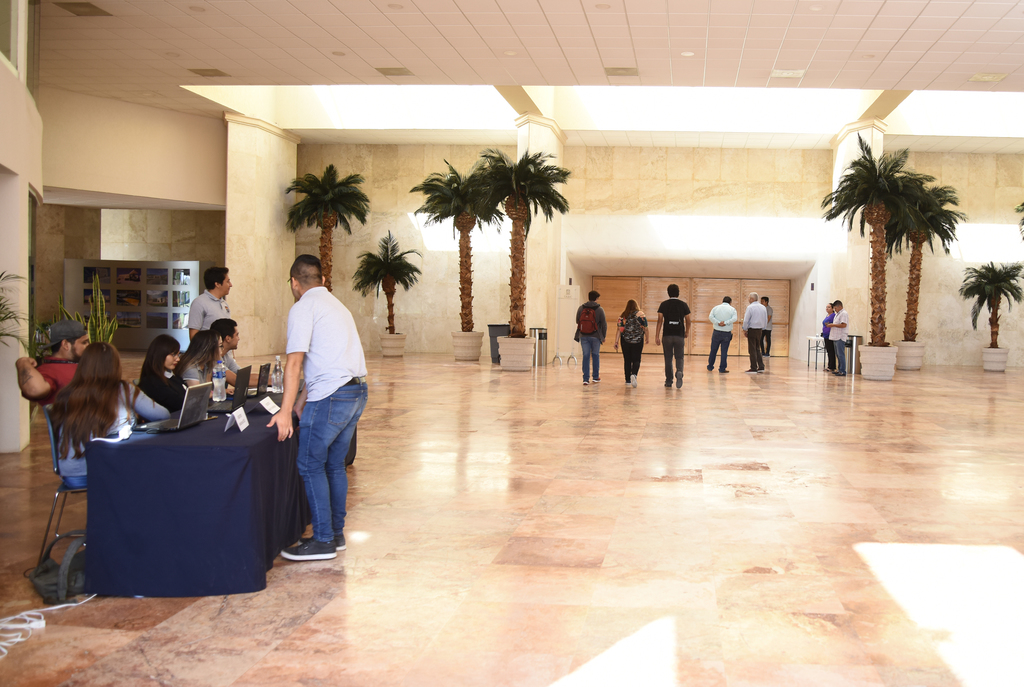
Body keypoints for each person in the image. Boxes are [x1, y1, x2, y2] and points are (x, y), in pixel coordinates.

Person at [269, 255, 368, 562]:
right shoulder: (336, 306)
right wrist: (299, 403)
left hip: (331, 396)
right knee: (334, 465)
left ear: (294, 283)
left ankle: (323, 539)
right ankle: (335, 535)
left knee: (311, 465)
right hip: (355, 391)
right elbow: (324, 360)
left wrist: (284, 411)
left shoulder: (303, 307)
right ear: (322, 280)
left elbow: (295, 363)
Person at [50, 342, 169, 488]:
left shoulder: (66, 394)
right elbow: (162, 415)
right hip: (108, 471)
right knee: (158, 468)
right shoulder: (123, 390)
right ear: (115, 365)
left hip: (72, 475)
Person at [15, 320, 89, 406]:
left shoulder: (82, 364)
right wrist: (22, 362)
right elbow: (34, 390)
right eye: (84, 342)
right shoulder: (49, 370)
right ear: (65, 344)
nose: (88, 346)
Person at [137, 334, 188, 412]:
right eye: (173, 355)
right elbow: (180, 402)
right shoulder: (152, 382)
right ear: (160, 354)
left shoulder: (173, 376)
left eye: (178, 354)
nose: (178, 359)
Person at [655, 283, 691, 388]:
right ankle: (679, 371)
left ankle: (669, 380)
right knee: (679, 357)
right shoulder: (683, 305)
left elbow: (659, 321)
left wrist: (657, 336)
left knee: (668, 358)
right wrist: (687, 332)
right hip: (679, 335)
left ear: (668, 293)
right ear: (678, 293)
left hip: (667, 335)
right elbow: (688, 320)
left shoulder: (663, 305)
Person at [187, 266, 232, 339]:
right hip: (210, 346)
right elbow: (193, 336)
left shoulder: (224, 303)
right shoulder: (199, 303)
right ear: (217, 284)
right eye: (227, 282)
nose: (230, 285)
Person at [613, 299, 648, 387]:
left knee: (627, 360)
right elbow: (645, 328)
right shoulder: (641, 314)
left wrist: (616, 342)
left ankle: (627, 379)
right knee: (637, 359)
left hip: (625, 340)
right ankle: (634, 374)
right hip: (638, 340)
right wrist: (647, 338)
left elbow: (619, 330)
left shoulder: (622, 316)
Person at [575, 290, 607, 386]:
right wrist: (603, 336)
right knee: (595, 355)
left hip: (583, 336)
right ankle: (595, 377)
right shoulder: (600, 309)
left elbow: (577, 320)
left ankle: (585, 379)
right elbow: (604, 324)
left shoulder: (581, 308)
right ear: (596, 298)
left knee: (586, 356)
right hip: (596, 336)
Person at [707, 296, 737, 373]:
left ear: (722, 301)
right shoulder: (732, 309)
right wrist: (726, 323)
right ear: (730, 302)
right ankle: (722, 368)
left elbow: (710, 317)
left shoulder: (716, 308)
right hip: (726, 333)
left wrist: (718, 322)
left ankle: (710, 366)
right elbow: (734, 318)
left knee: (713, 350)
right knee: (724, 351)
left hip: (716, 332)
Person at [210, 318, 241, 387]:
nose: (239, 338)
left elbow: (242, 375)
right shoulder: (213, 359)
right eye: (237, 335)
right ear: (228, 338)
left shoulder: (226, 356)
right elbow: (236, 381)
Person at [742, 292, 768, 374]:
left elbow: (746, 320)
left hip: (752, 329)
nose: (748, 299)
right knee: (757, 348)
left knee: (752, 349)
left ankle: (753, 368)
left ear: (752, 299)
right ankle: (761, 366)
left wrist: (744, 329)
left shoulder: (750, 307)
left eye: (749, 298)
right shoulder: (763, 307)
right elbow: (765, 319)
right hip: (760, 330)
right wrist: (763, 328)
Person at [826, 299, 849, 376]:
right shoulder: (838, 314)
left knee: (840, 354)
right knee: (837, 354)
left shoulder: (844, 313)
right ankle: (839, 369)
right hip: (835, 337)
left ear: (840, 306)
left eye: (835, 308)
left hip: (840, 337)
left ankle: (842, 370)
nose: (835, 310)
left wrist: (833, 325)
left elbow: (844, 325)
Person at [822, 303, 837, 372]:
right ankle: (829, 365)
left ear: (832, 308)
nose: (827, 308)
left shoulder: (833, 315)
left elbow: (833, 323)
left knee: (831, 351)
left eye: (829, 307)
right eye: (826, 307)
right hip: (825, 335)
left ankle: (831, 366)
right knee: (828, 350)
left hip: (830, 335)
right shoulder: (827, 315)